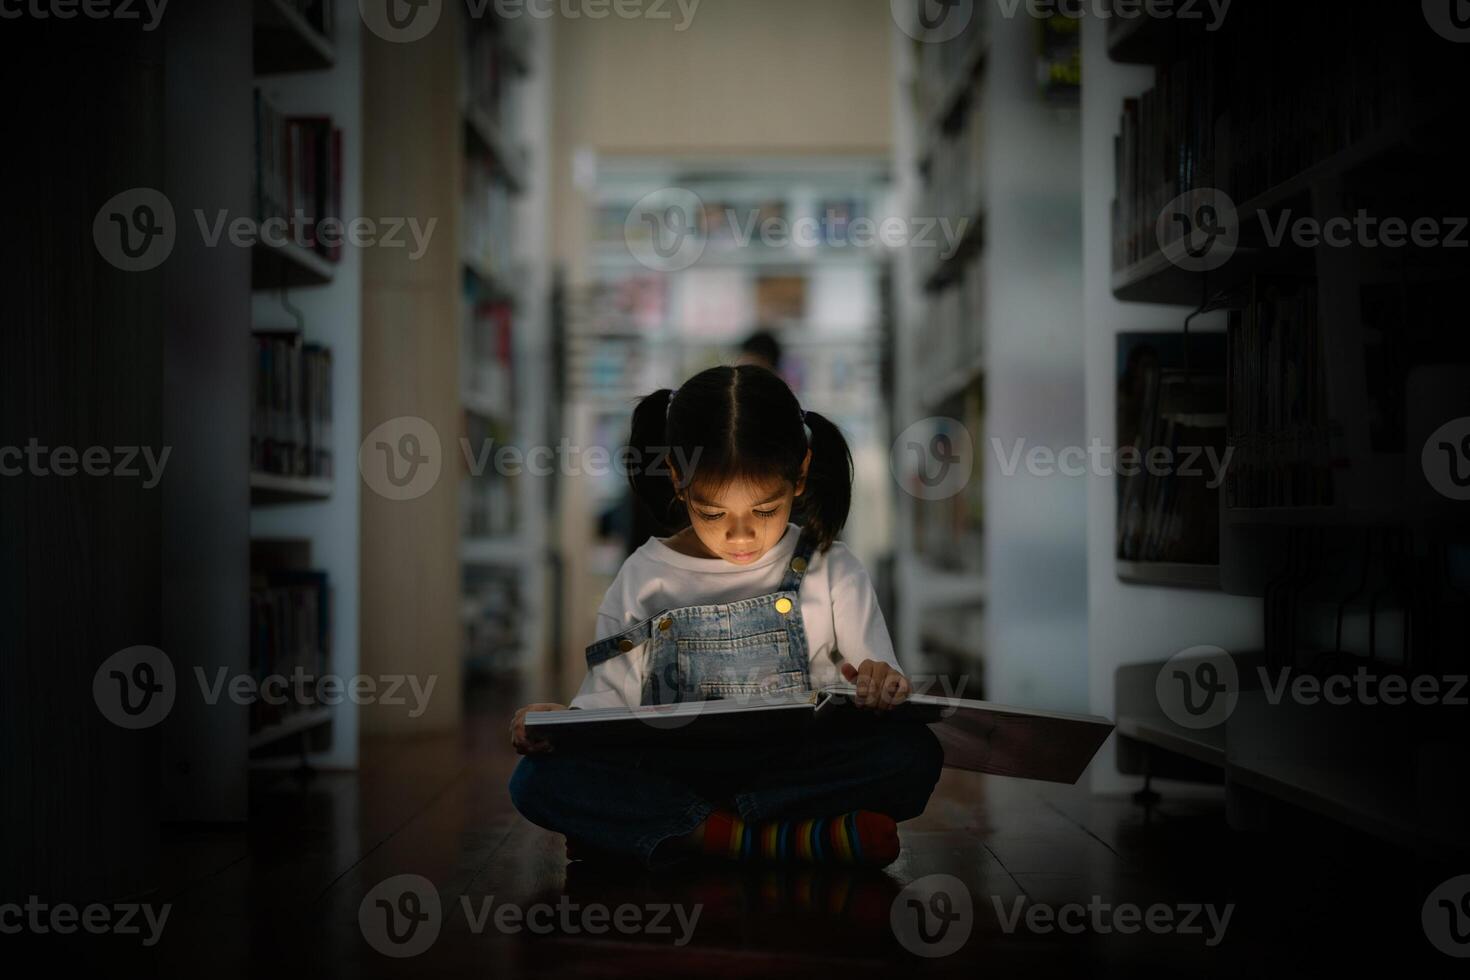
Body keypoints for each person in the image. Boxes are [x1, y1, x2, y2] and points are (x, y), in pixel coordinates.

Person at [508, 365, 942, 869]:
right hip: (678, 769)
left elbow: (878, 678)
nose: (740, 537)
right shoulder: (644, 575)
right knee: (537, 780)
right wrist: (563, 724)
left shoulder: (831, 568)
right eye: (713, 514)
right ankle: (778, 839)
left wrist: (880, 683)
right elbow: (608, 703)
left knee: (913, 755)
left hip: (791, 770)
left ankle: (685, 832)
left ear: (800, 475)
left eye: (765, 511)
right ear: (676, 477)